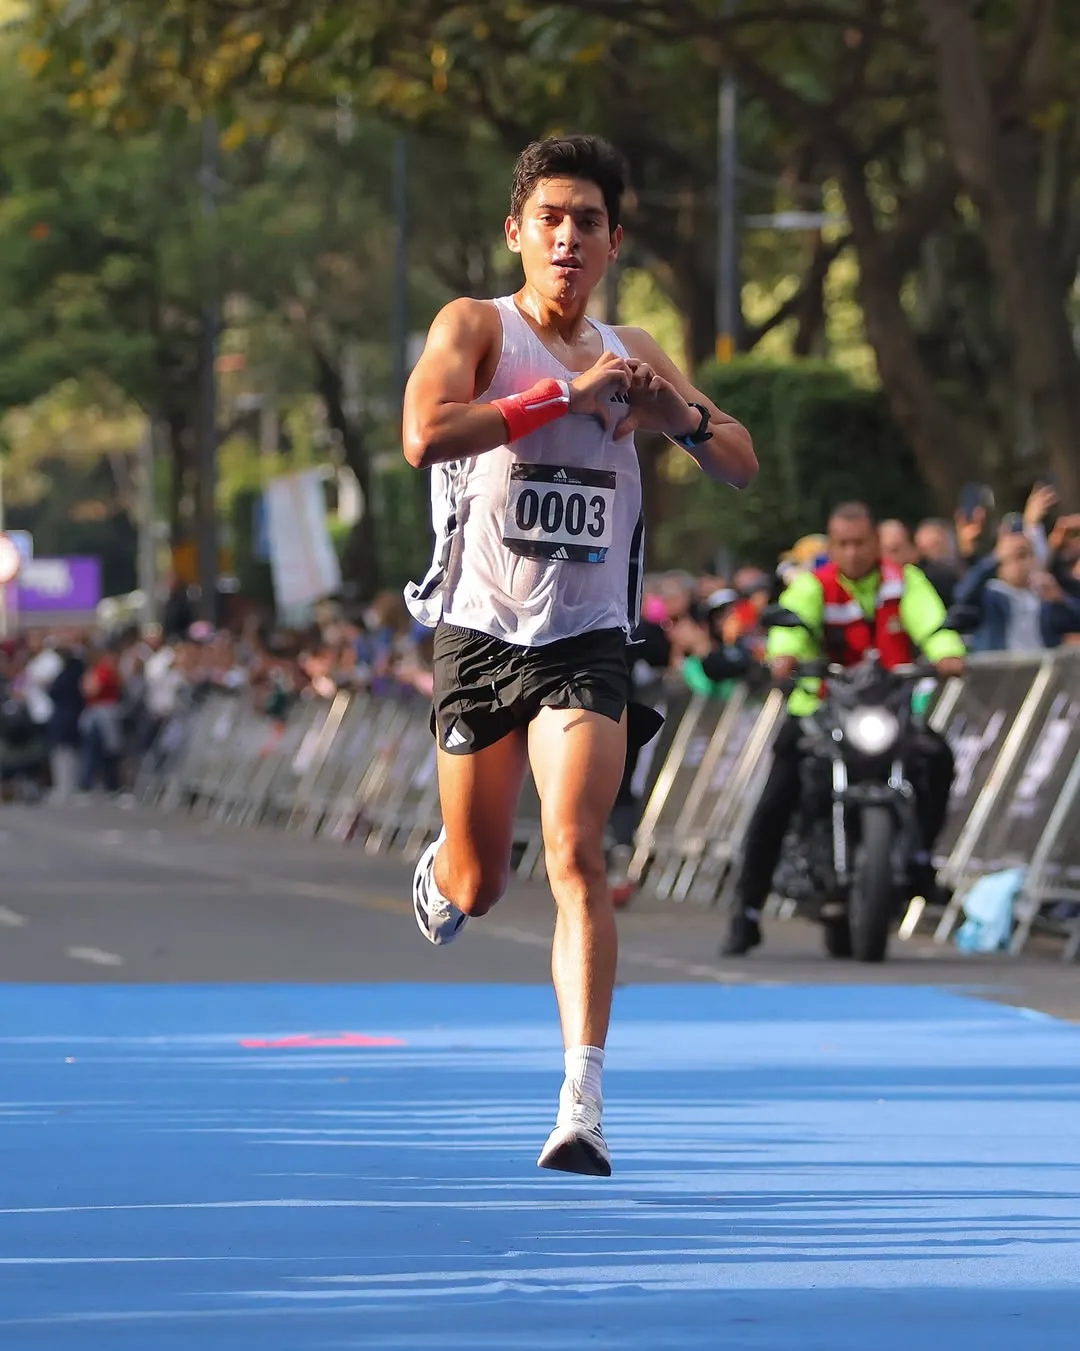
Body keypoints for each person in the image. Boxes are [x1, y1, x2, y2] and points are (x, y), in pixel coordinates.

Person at [401, 134, 757, 1175]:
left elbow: (735, 460)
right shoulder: (477, 326)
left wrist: (674, 413)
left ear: (612, 241)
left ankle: (582, 1098)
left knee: (575, 850)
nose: (568, 236)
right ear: (516, 232)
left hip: (588, 637)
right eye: (550, 217)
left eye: (588, 221)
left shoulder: (634, 341)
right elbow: (426, 433)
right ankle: (450, 870)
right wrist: (565, 394)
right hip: (479, 631)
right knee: (483, 880)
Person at [721, 501, 966, 958]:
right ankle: (747, 912)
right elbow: (791, 627)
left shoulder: (903, 581)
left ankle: (919, 860)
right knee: (777, 796)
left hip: (887, 709)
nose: (853, 552)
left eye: (861, 542)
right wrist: (785, 655)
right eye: (843, 544)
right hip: (819, 708)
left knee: (937, 758)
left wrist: (948, 651)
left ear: (876, 542)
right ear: (832, 547)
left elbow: (932, 622)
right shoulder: (814, 586)